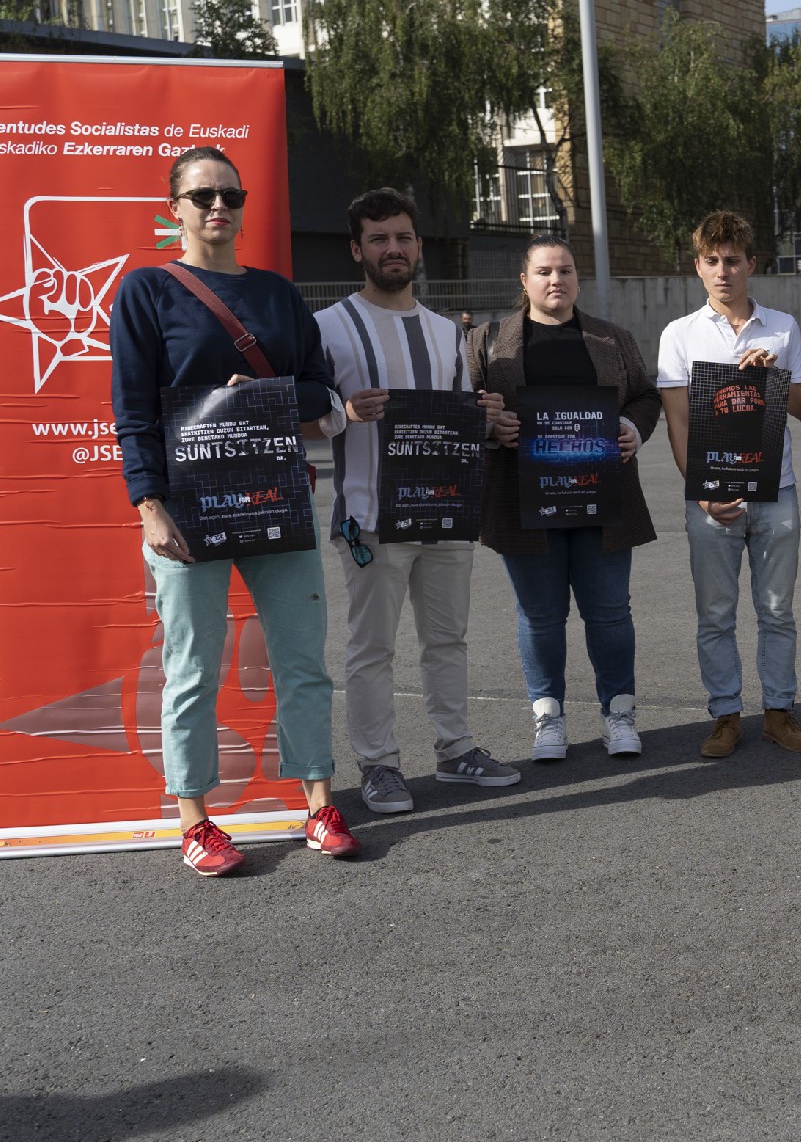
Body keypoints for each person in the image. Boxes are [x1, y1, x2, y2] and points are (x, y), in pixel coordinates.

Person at [109, 145, 356, 874]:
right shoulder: (147, 292)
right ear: (175, 209)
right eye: (203, 195)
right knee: (191, 666)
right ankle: (195, 818)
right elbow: (131, 410)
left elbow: (322, 393)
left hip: (275, 500)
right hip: (186, 508)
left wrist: (266, 395)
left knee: (303, 659)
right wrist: (148, 504)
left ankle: (318, 803)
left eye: (231, 194)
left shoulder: (278, 296)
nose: (220, 206)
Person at [316, 189, 521, 816]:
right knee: (372, 647)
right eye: (378, 239)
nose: (393, 248)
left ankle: (455, 749)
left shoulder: (445, 332)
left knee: (447, 638)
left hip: (445, 511)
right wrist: (343, 412)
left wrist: (484, 418)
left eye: (402, 237)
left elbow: (459, 422)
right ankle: (378, 766)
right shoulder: (327, 326)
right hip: (370, 517)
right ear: (357, 249)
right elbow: (303, 414)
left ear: (419, 246)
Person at [469, 236, 658, 762]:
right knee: (540, 616)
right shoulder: (488, 341)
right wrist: (490, 428)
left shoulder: (612, 338)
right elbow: (464, 406)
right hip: (524, 503)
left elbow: (644, 396)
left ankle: (619, 712)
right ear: (523, 282)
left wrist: (630, 428)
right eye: (545, 271)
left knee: (610, 613)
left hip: (602, 500)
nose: (557, 280)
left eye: (566, 271)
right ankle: (547, 716)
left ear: (578, 279)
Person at [658, 211, 801, 758]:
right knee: (715, 614)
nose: (723, 271)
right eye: (712, 261)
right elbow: (678, 421)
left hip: (778, 489)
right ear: (698, 267)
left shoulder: (783, 327)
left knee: (777, 610)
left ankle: (779, 711)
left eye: (733, 260)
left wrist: (770, 376)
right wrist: (700, 488)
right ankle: (725, 715)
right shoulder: (679, 334)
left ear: (752, 263)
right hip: (711, 495)